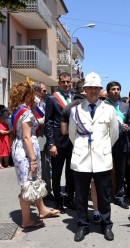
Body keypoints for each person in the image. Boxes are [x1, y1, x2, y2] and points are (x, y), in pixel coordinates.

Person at [62, 72, 118, 242]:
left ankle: (106, 224)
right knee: (80, 195)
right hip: (82, 158)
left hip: (102, 157)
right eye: (90, 88)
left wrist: (102, 147)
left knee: (104, 194)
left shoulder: (108, 109)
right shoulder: (76, 110)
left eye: (96, 88)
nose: (93, 90)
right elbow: (72, 134)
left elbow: (114, 134)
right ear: (85, 90)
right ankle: (82, 225)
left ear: (100, 90)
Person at [9, 81, 59, 229]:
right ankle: (26, 221)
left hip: (21, 148)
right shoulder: (26, 112)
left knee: (33, 182)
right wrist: (32, 160)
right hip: (26, 151)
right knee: (27, 186)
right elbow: (26, 137)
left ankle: (42, 209)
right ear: (29, 95)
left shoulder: (17, 110)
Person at [45, 72, 75, 213]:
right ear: (59, 82)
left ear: (71, 82)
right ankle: (57, 201)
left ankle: (69, 198)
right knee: (56, 173)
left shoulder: (75, 98)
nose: (65, 84)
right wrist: (51, 144)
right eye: (63, 81)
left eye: (68, 81)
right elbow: (49, 122)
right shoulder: (52, 98)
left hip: (73, 141)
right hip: (58, 142)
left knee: (71, 172)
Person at [106, 81, 130, 209]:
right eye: (113, 89)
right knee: (106, 170)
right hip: (106, 142)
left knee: (121, 171)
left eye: (118, 89)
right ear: (108, 91)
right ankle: (107, 194)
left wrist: (127, 127)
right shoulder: (103, 105)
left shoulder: (126, 107)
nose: (116, 91)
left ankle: (120, 196)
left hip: (121, 143)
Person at [33, 82, 54, 200]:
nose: (46, 93)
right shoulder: (32, 104)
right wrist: (44, 120)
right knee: (37, 166)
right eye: (44, 91)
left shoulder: (44, 104)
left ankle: (47, 191)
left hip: (45, 136)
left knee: (45, 164)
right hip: (36, 137)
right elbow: (31, 120)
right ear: (36, 91)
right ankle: (36, 192)